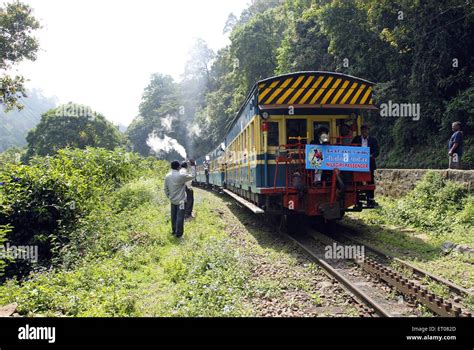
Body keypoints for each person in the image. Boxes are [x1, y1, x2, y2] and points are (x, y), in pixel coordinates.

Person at [164, 160, 194, 238]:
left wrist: (169, 197)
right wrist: (193, 166)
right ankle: (179, 234)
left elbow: (165, 189)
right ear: (179, 167)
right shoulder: (181, 176)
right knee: (180, 217)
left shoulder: (167, 176)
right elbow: (193, 176)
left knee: (173, 216)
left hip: (172, 200)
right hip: (181, 201)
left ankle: (174, 231)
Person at [352, 125, 379, 206]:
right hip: (358, 163)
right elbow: (351, 148)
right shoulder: (356, 139)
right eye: (363, 131)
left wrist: (371, 156)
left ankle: (371, 199)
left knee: (370, 180)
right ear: (361, 131)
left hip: (369, 163)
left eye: (366, 131)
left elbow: (377, 151)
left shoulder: (373, 140)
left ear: (368, 131)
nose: (365, 132)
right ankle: (357, 199)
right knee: (357, 181)